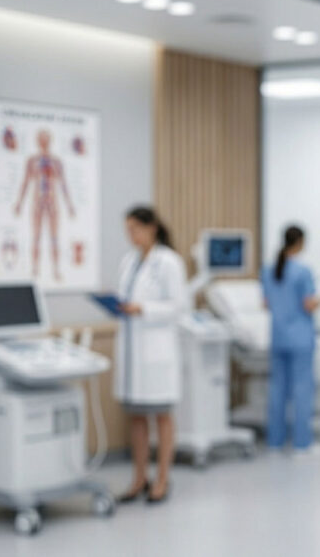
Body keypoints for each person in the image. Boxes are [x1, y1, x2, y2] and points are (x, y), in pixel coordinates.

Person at [114, 206, 188, 504]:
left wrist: (143, 309)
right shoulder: (128, 261)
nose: (131, 235)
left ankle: (162, 479)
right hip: (133, 350)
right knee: (136, 416)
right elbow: (127, 297)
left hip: (156, 349)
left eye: (136, 229)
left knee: (162, 416)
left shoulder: (169, 262)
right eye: (128, 230)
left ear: (152, 227)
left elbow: (179, 306)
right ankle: (139, 478)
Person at [261, 225, 320, 454]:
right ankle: (302, 443)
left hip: (278, 337)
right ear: (300, 243)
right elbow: (308, 304)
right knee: (302, 390)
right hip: (300, 339)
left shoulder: (268, 270)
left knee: (277, 389)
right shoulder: (302, 271)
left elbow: (266, 303)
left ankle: (275, 441)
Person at [13, 129, 76, 282]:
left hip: (53, 202)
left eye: (46, 139)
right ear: (37, 141)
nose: (43, 142)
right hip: (37, 201)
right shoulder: (32, 161)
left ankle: (56, 269)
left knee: (54, 237)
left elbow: (63, 184)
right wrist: (19, 203)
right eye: (41, 139)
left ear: (50, 140)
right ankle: (35, 269)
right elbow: (25, 182)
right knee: (36, 236)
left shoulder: (56, 161)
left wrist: (69, 205)